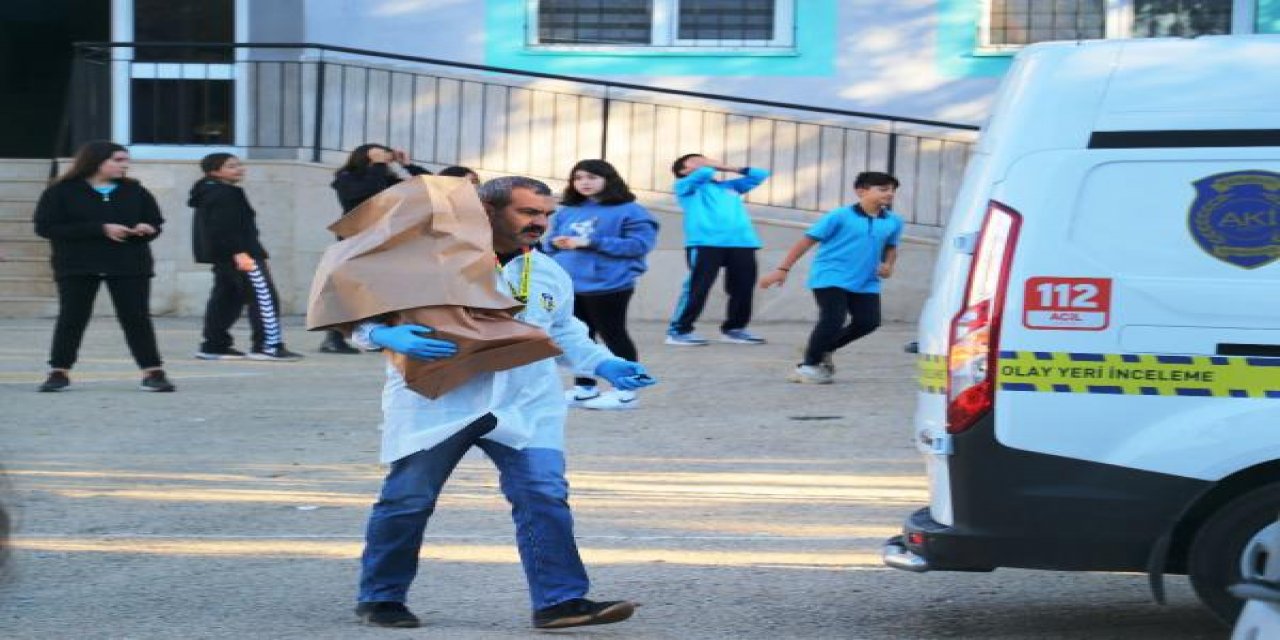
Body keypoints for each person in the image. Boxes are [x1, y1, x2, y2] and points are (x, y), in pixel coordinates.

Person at [348, 176, 655, 630]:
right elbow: (355, 310)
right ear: (487, 211)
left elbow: (564, 330)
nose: (541, 223)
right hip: (438, 401)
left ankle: (560, 601)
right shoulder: (429, 261)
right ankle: (381, 596)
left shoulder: (548, 270)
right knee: (409, 499)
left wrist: (605, 364)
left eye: (547, 214)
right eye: (529, 212)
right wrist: (380, 335)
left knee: (544, 495)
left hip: (526, 403)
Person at [32, 140, 174, 392]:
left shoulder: (135, 190)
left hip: (129, 263)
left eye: (126, 160)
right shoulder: (61, 191)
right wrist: (99, 229)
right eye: (118, 160)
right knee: (72, 317)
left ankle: (153, 371)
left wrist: (147, 229)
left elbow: (154, 220)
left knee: (136, 318)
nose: (125, 165)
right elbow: (45, 227)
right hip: (77, 264)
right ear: (97, 161)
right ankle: (59, 371)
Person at [760, 171, 903, 384]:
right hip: (830, 276)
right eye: (883, 189)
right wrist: (782, 269)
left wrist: (889, 266)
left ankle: (822, 347)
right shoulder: (840, 216)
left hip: (866, 280)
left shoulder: (893, 221)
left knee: (868, 322)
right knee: (833, 319)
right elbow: (806, 242)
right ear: (861, 191)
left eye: (892, 190)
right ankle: (808, 366)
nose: (889, 193)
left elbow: (891, 246)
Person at [543, 159, 658, 411]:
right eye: (579, 177)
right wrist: (557, 244)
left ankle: (626, 392)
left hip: (610, 285)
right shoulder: (568, 210)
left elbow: (639, 246)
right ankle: (585, 389)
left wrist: (589, 242)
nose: (584, 182)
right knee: (578, 338)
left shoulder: (631, 211)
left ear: (608, 179)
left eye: (592, 177)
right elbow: (550, 242)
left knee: (614, 336)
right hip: (570, 284)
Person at [189, 153, 303, 362]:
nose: (239, 169)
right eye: (231, 166)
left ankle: (214, 345)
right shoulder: (225, 193)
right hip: (242, 255)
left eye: (239, 165)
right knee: (263, 296)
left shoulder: (210, 192)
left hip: (225, 256)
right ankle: (268, 345)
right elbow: (226, 228)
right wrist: (241, 253)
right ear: (214, 171)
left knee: (227, 299)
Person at [321, 144, 431, 353]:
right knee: (354, 291)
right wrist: (378, 164)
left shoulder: (386, 179)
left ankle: (376, 333)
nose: (385, 160)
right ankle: (336, 337)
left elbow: (429, 187)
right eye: (378, 156)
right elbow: (371, 193)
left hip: (385, 241)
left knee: (380, 289)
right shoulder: (345, 178)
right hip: (357, 242)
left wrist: (409, 166)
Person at [666, 153, 770, 346]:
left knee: (743, 288)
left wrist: (730, 168)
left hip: (742, 243)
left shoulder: (729, 187)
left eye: (705, 159)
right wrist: (709, 166)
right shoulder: (684, 186)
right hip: (705, 243)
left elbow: (761, 174)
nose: (705, 163)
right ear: (683, 171)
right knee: (698, 288)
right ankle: (678, 331)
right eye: (695, 161)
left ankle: (734, 329)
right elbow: (704, 172)